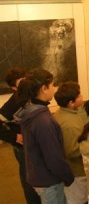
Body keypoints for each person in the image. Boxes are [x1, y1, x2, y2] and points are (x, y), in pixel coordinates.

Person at [14, 68, 74, 204]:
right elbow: (53, 158)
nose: (54, 89)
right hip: (49, 182)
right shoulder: (42, 120)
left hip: (38, 175)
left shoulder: (31, 110)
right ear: (44, 88)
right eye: (52, 85)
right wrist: (68, 176)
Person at [0, 67, 41, 204]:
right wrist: (14, 137)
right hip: (22, 148)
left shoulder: (31, 96)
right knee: (29, 179)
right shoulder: (11, 104)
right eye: (21, 82)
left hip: (34, 144)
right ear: (13, 87)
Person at [54, 81, 89, 204]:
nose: (82, 97)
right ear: (71, 103)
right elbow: (72, 151)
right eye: (79, 95)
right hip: (76, 172)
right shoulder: (69, 124)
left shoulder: (64, 113)